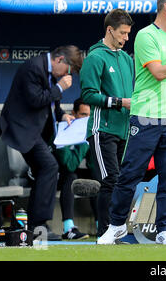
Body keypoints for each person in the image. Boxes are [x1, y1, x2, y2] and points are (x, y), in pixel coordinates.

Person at [97, 0, 166, 245]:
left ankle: (164, 230)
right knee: (131, 174)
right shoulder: (146, 36)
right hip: (146, 116)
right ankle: (115, 226)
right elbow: (158, 72)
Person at [0, 45, 84, 240]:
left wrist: (63, 116)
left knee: (43, 170)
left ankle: (35, 226)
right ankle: (39, 225)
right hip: (22, 129)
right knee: (49, 166)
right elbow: (36, 100)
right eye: (68, 71)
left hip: (35, 131)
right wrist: (60, 87)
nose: (67, 76)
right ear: (60, 60)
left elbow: (52, 105)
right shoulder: (33, 68)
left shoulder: (49, 72)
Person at [79, 8, 135, 238]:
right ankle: (105, 233)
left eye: (128, 33)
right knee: (111, 180)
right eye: (122, 33)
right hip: (102, 130)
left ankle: (116, 231)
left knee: (122, 181)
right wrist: (121, 102)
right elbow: (88, 95)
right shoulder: (95, 57)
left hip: (124, 130)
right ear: (110, 30)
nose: (126, 38)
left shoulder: (126, 59)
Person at [53, 97, 97, 240]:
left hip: (74, 173)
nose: (86, 120)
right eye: (83, 115)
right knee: (71, 177)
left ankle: (101, 224)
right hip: (53, 176)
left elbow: (92, 164)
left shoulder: (90, 129)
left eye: (89, 116)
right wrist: (84, 143)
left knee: (95, 178)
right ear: (74, 113)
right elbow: (69, 164)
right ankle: (68, 228)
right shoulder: (64, 128)